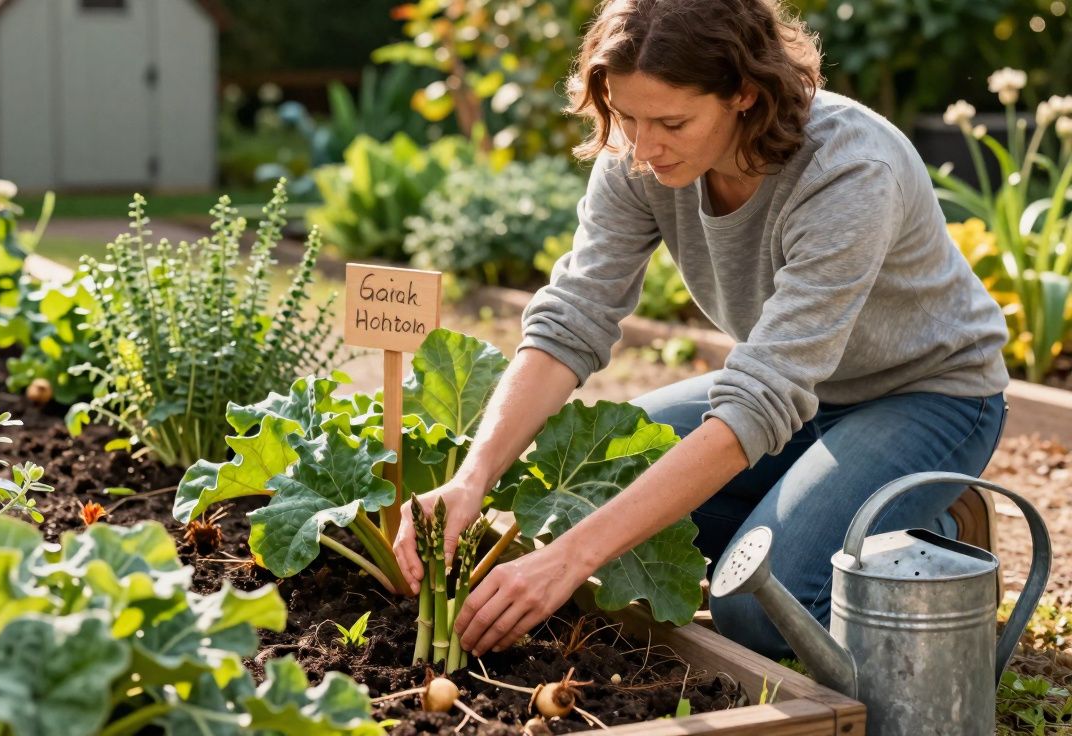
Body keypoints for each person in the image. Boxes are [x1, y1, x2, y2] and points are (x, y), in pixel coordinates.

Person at [392, 0, 1009, 660]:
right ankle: (806, 514)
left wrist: (571, 560)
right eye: (627, 117)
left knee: (756, 604)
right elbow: (571, 318)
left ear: (745, 92)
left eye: (672, 122)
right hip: (800, 397)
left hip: (930, 395)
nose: (644, 144)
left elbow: (758, 398)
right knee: (576, 489)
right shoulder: (639, 156)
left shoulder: (849, 170)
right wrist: (471, 476)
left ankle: (932, 531)